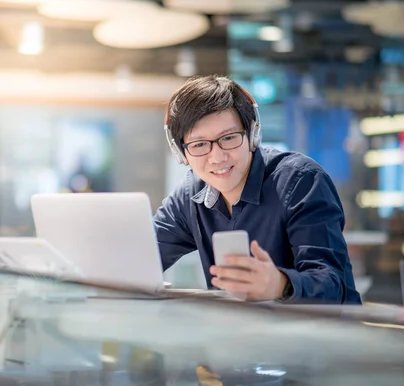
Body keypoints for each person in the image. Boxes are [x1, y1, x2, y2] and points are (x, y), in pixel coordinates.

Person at [153, 75, 361, 304]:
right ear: (180, 152)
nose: (217, 157)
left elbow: (334, 285)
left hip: (321, 336)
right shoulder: (190, 195)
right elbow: (144, 255)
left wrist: (280, 284)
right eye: (199, 144)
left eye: (229, 138)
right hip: (244, 336)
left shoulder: (302, 181)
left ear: (253, 134)